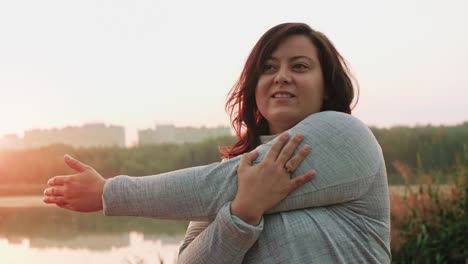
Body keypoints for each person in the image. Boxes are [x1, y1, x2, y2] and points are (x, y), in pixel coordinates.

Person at [43, 22, 391, 263]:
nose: (281, 76)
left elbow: (221, 185)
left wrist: (109, 193)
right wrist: (242, 214)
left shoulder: (347, 136)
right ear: (255, 85)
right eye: (268, 68)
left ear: (326, 85)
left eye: (299, 66)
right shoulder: (230, 175)